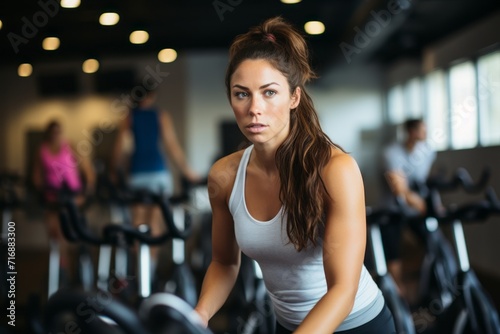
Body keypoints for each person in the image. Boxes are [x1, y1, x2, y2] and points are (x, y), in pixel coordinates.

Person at [194, 16, 396, 333]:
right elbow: (224, 262)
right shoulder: (225, 175)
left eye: (269, 92)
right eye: (242, 93)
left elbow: (343, 290)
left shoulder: (335, 170)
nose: (254, 108)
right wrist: (199, 315)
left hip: (357, 324)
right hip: (288, 325)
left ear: (294, 97)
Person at [111, 87, 201, 282]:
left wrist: (114, 172)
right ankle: (149, 272)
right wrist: (187, 171)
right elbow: (171, 145)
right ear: (151, 97)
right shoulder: (160, 115)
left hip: (136, 175)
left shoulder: (129, 117)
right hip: (158, 174)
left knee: (138, 225)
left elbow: (119, 149)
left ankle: (142, 273)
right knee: (155, 226)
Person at [379, 118, 437, 299]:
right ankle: (398, 292)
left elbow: (423, 182)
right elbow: (399, 188)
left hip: (413, 210)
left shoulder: (428, 152)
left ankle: (427, 284)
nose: (425, 134)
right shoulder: (391, 153)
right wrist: (418, 202)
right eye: (421, 130)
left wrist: (435, 203)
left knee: (432, 242)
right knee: (393, 251)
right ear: (411, 132)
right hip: (392, 209)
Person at [32, 119, 96, 285]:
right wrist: (41, 190)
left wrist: (85, 193)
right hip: (53, 198)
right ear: (49, 134)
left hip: (73, 196)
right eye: (53, 132)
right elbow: (37, 177)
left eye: (58, 132)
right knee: (56, 236)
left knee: (74, 236)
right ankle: (63, 272)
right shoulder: (43, 150)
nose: (56, 135)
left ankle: (80, 273)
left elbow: (87, 170)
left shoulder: (70, 145)